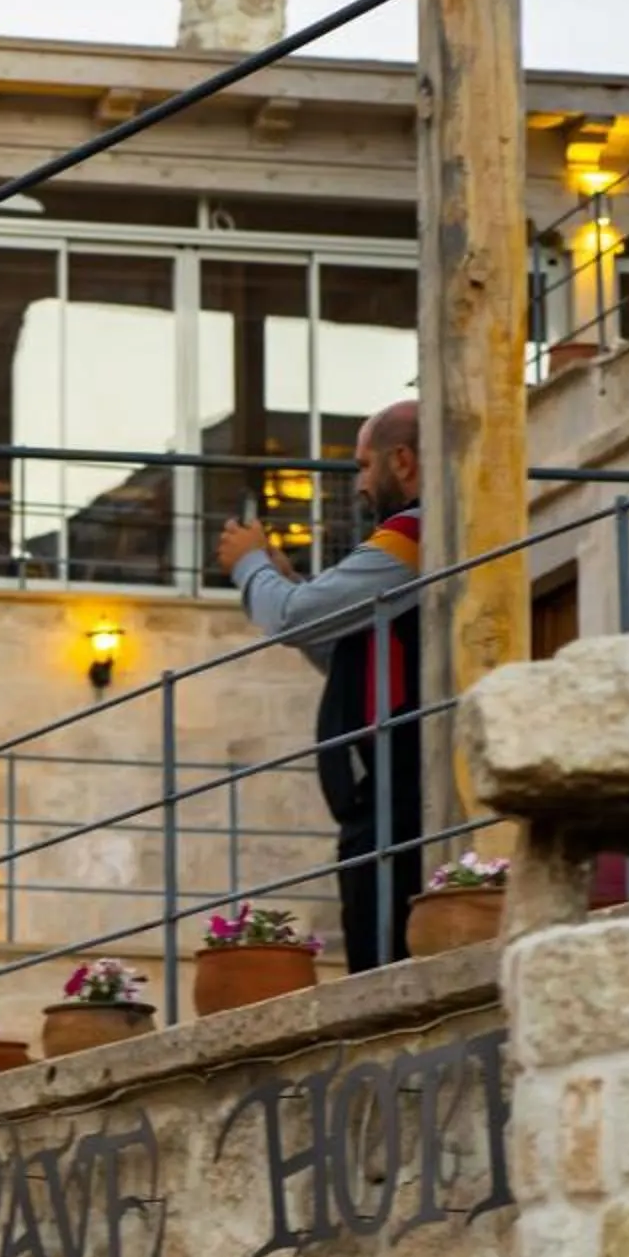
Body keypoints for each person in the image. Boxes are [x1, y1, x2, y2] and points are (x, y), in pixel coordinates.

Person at [216, 399, 426, 975]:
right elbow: (340, 650)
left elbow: (291, 619)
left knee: (384, 966)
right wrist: (284, 579)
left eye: (364, 466)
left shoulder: (411, 533)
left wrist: (249, 566)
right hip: (376, 799)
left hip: (394, 797)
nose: (359, 484)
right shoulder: (412, 536)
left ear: (401, 461)